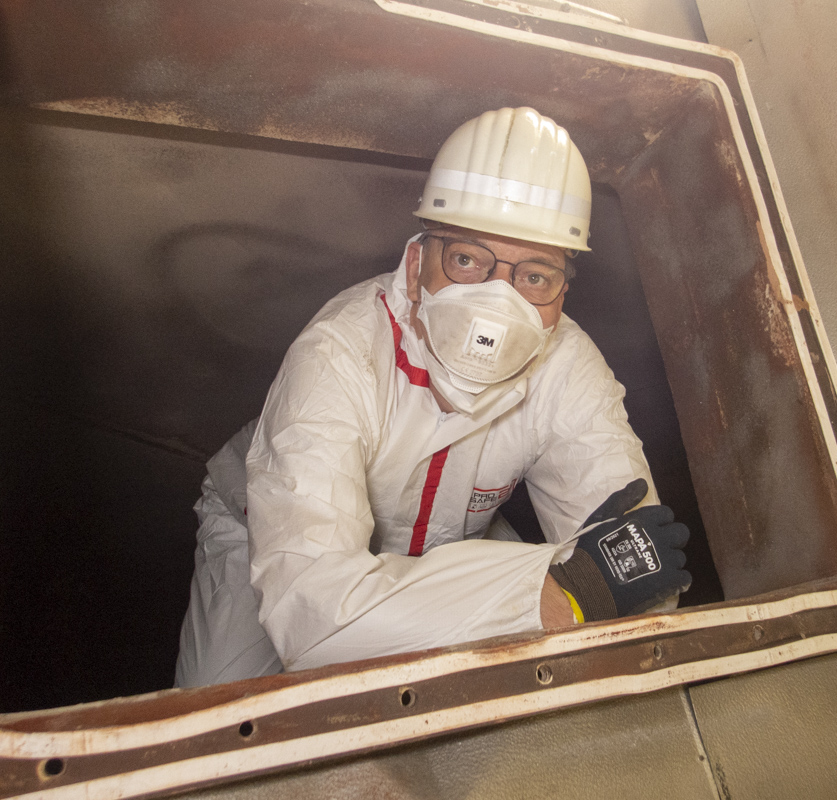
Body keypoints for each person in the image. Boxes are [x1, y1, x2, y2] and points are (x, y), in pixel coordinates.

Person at [175, 107, 692, 687]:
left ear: (562, 294)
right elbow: (314, 618)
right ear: (417, 260)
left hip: (451, 539)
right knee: (222, 716)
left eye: (535, 276)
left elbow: (638, 571)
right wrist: (555, 597)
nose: (499, 302)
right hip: (265, 537)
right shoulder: (339, 351)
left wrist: (582, 589)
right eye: (468, 259)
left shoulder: (568, 365)